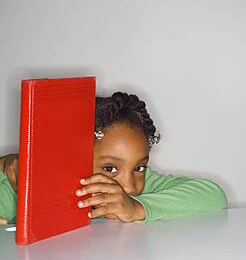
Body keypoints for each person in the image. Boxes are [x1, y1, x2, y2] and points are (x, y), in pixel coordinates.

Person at [0, 91, 228, 225]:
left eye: (139, 167)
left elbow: (212, 195)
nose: (129, 186)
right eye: (110, 168)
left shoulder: (140, 187)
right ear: (70, 158)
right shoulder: (18, 189)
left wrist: (137, 208)